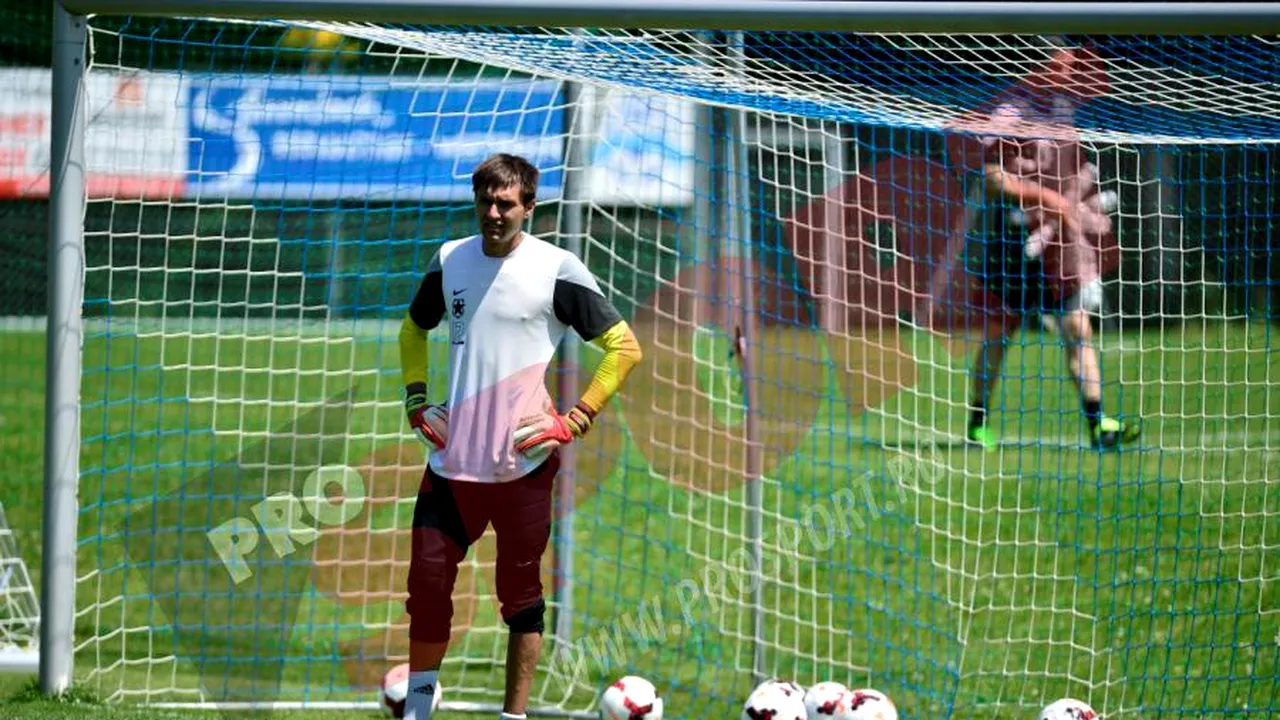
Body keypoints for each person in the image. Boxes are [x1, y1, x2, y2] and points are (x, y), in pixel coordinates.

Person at [397, 153, 642, 719]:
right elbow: (413, 329)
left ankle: (514, 716)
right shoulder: (450, 260)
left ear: (529, 207)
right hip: (450, 466)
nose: (493, 212)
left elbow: (624, 348)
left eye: (506, 203)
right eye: (485, 200)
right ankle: (416, 712)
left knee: (522, 604)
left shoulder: (556, 268)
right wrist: (416, 399)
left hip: (523, 471)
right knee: (427, 593)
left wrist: (574, 419)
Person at [962, 44, 1140, 451]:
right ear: (1039, 65)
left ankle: (1099, 427)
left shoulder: (1064, 109)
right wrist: (1044, 198)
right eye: (1062, 64)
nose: (1070, 71)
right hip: (1016, 241)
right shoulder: (1009, 111)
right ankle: (978, 424)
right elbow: (993, 179)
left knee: (1078, 327)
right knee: (998, 334)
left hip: (1060, 242)